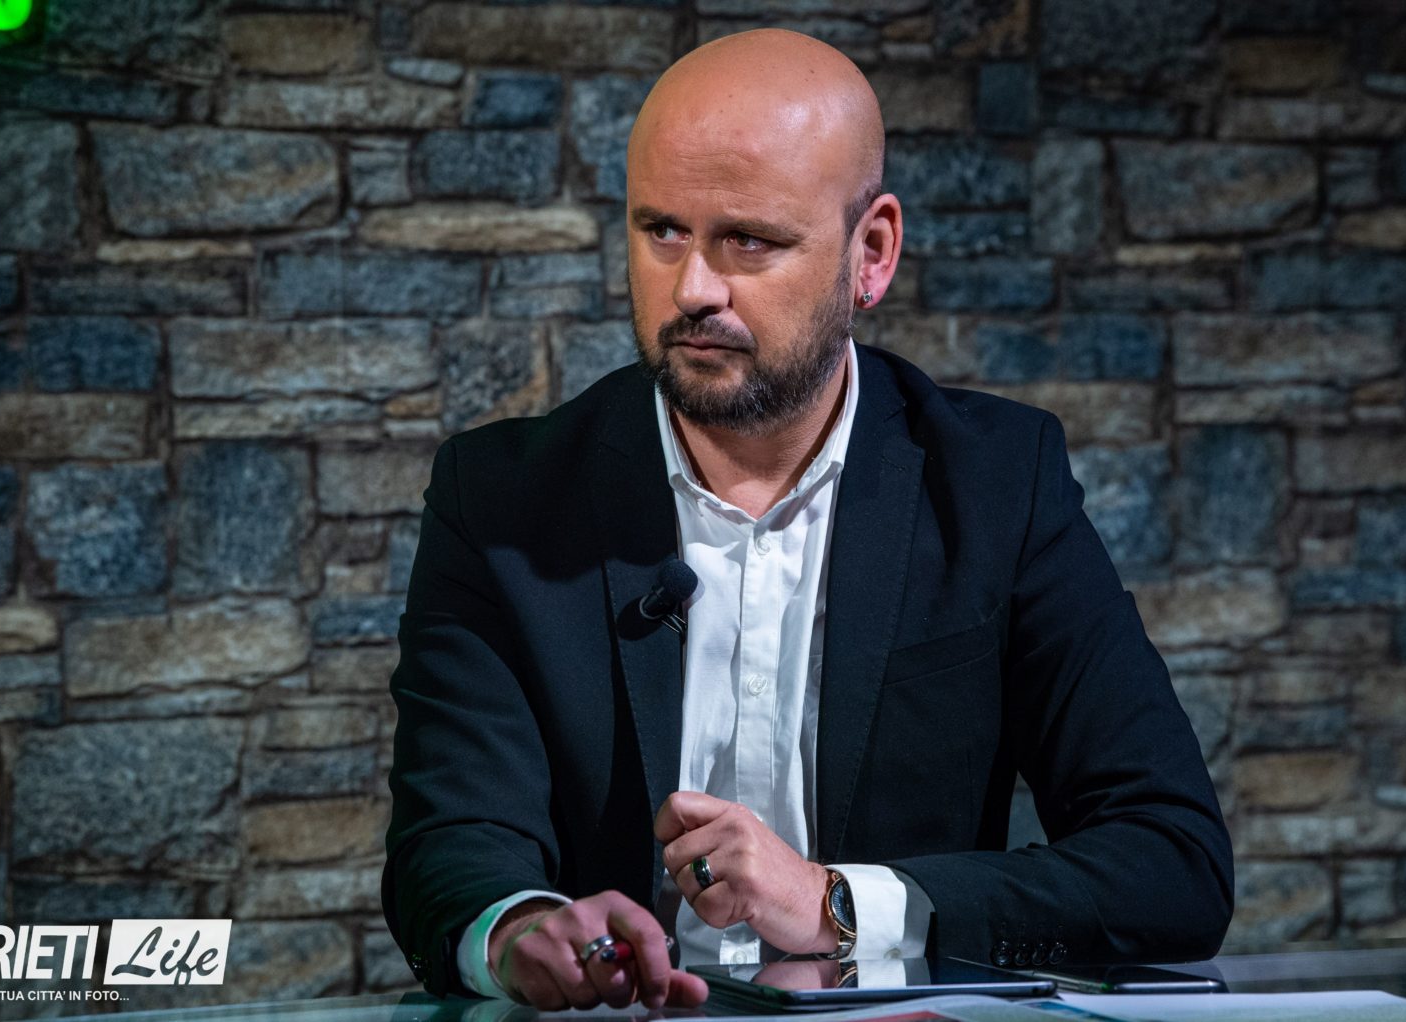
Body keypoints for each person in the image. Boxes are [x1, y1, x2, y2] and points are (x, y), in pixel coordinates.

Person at [382, 28, 1233, 1011]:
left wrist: (837, 902)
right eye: (662, 231)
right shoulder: (499, 497)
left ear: (871, 253)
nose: (693, 289)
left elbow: (1172, 860)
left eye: (748, 241)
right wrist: (519, 926)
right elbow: (449, 843)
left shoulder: (999, 484)